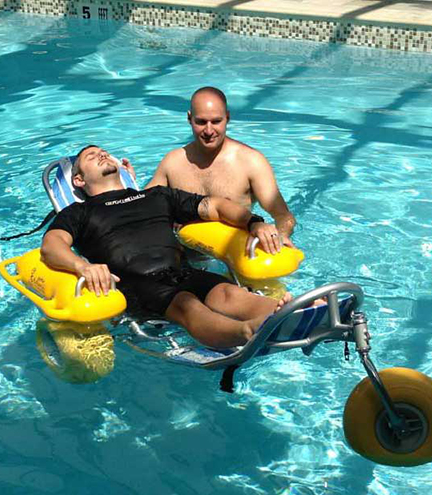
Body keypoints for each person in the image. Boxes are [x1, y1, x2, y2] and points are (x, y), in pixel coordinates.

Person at [41, 145, 292, 349]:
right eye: (91, 156)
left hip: (180, 271)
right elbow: (52, 245)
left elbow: (214, 206)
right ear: (78, 179)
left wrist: (254, 222)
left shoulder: (157, 195)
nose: (102, 154)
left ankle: (291, 312)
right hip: (136, 283)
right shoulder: (79, 212)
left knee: (228, 292)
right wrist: (82, 267)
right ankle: (249, 330)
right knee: (187, 304)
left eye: (104, 152)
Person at [145, 86, 296, 252]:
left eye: (216, 121)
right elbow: (142, 207)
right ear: (189, 118)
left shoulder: (251, 162)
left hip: (235, 252)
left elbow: (283, 216)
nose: (209, 131)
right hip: (186, 254)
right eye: (201, 122)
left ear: (228, 118)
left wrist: (280, 237)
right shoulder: (172, 162)